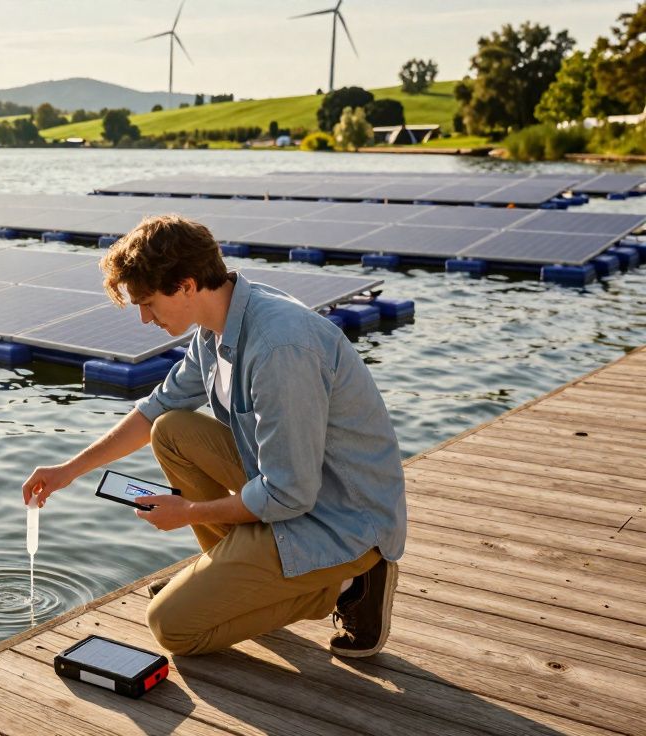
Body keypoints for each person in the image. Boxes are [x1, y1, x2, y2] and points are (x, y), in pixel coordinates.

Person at [21, 214, 406, 658]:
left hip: (343, 522)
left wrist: (188, 512)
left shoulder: (280, 346)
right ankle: (238, 580)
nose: (145, 319)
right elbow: (155, 411)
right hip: (298, 489)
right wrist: (68, 471)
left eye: (147, 302)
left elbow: (289, 494)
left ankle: (350, 584)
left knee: (173, 627)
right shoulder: (214, 328)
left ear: (185, 285)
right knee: (172, 431)